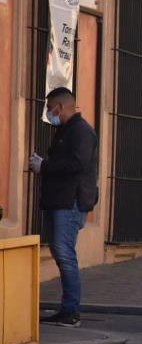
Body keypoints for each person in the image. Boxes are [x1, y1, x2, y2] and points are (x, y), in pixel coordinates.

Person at [30, 87, 99, 327]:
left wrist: (45, 166)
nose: (49, 112)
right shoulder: (65, 130)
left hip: (70, 202)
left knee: (65, 254)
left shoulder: (81, 131)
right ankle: (67, 309)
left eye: (50, 108)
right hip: (59, 199)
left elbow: (77, 163)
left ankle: (71, 312)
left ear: (60, 107)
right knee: (61, 253)